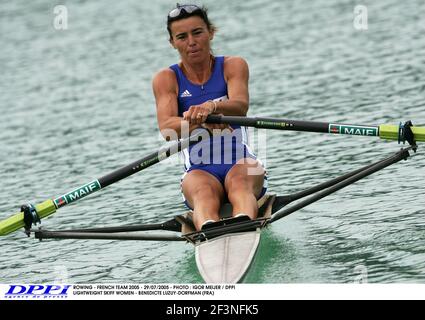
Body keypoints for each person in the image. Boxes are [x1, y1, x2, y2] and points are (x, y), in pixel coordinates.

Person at [152, 4, 267, 231]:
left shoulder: (233, 65)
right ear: (172, 43)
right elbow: (167, 128)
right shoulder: (166, 78)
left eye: (197, 32)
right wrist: (199, 123)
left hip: (241, 162)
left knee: (240, 184)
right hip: (199, 169)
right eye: (182, 37)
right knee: (203, 194)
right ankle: (208, 230)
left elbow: (240, 106)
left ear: (210, 32)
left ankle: (243, 224)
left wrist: (211, 106)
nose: (191, 42)